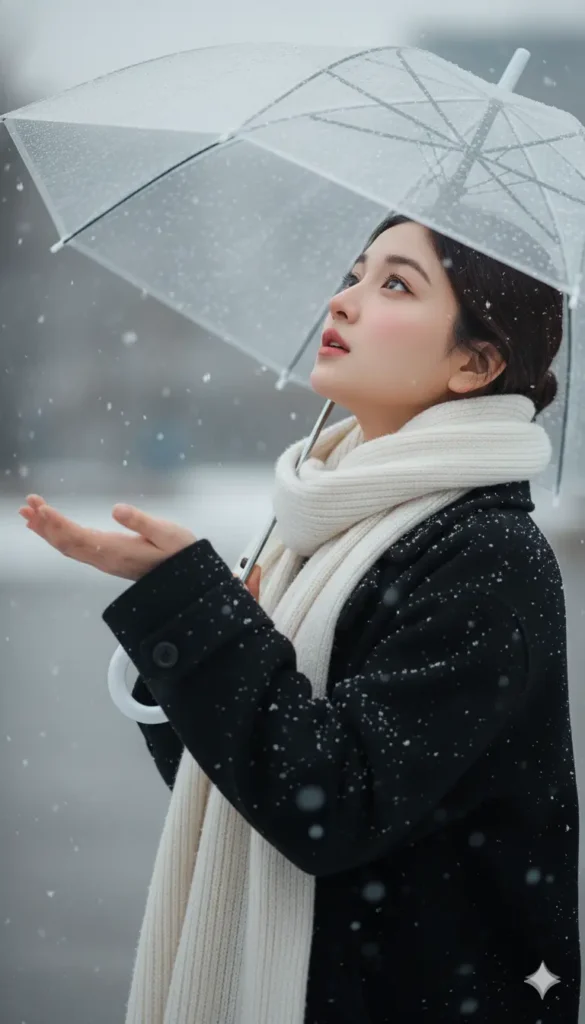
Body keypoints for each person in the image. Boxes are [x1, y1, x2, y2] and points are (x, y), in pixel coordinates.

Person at [20, 214, 581, 1023]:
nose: (343, 300)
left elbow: (329, 805)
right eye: (354, 273)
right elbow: (231, 788)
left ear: (474, 363)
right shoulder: (326, 523)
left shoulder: (484, 557)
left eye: (394, 283)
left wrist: (199, 612)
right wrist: (200, 632)